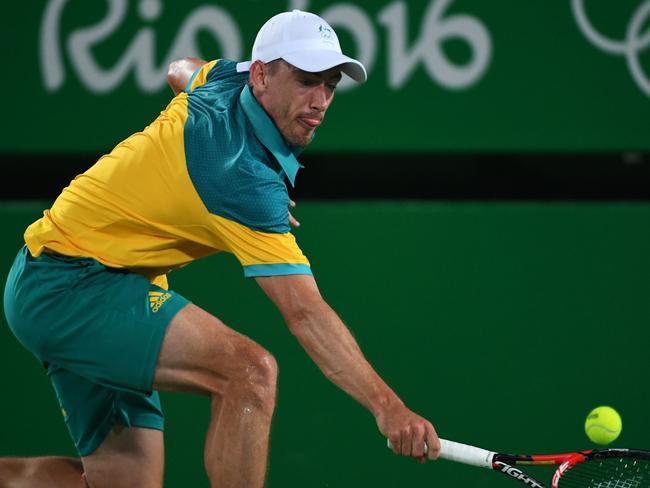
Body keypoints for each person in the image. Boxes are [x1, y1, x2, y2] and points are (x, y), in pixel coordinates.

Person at [1, 10, 439, 488]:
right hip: (69, 284)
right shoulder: (239, 175)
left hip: (75, 274)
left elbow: (179, 68)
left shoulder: (227, 80)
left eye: (330, 85)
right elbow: (305, 314)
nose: (321, 101)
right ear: (262, 75)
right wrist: (388, 408)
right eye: (307, 80)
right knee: (248, 373)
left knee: (123, 482)